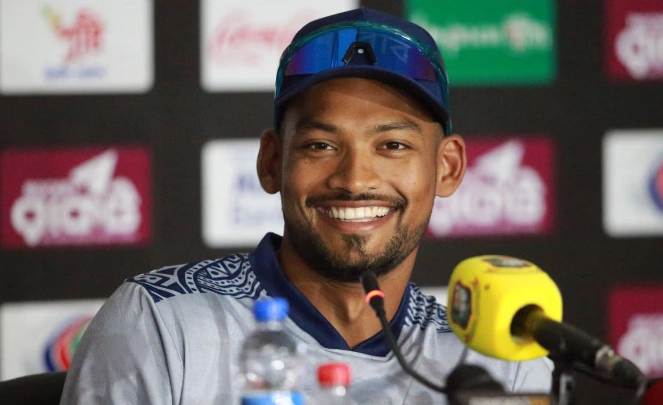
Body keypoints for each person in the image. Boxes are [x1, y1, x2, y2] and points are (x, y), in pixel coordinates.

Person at [60, 8, 552, 405]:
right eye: (320, 145)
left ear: (447, 168)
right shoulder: (163, 322)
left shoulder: (499, 359)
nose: (355, 179)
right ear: (272, 162)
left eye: (393, 146)